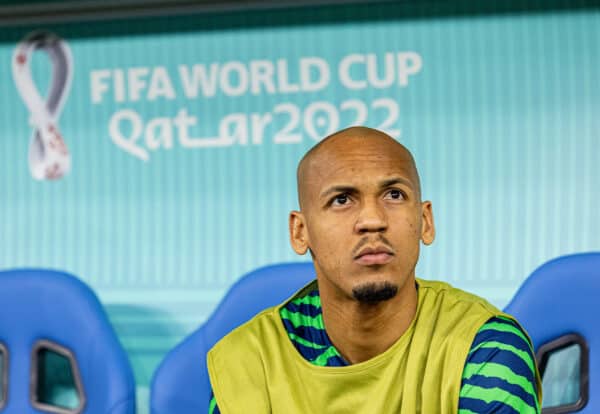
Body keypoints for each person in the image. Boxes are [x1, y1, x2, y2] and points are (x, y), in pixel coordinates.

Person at [207, 126, 542, 413]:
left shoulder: (485, 345)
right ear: (300, 231)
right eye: (342, 200)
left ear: (425, 221)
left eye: (394, 195)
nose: (373, 220)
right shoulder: (248, 361)